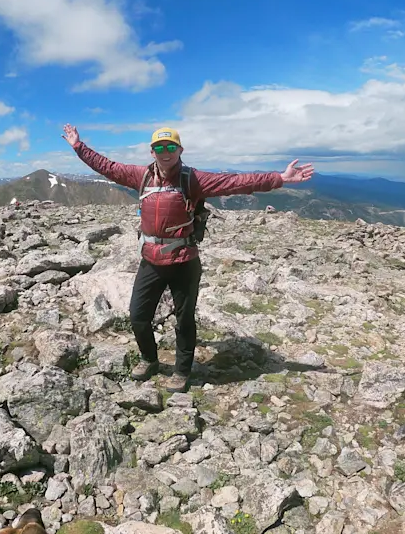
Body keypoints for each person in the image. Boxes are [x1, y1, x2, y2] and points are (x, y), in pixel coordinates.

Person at [62, 124, 314, 393]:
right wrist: (79, 146)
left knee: (184, 319)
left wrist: (279, 178)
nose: (165, 151)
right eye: (159, 147)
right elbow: (107, 167)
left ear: (180, 150)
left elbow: (236, 182)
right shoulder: (141, 176)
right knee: (137, 315)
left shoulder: (192, 179)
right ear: (152, 151)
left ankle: (182, 371)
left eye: (171, 146)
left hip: (184, 261)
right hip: (151, 261)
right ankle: (149, 360)